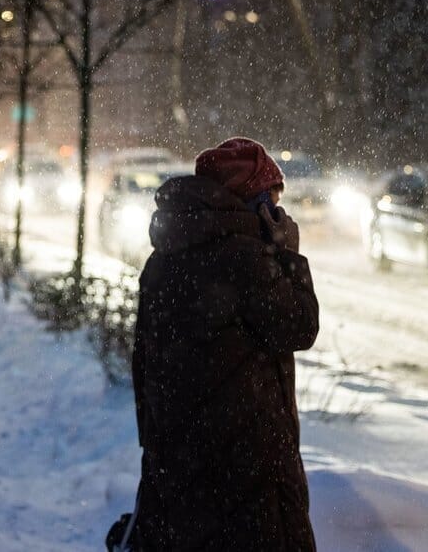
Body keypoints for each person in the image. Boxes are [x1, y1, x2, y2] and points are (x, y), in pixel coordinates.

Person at [127, 137, 319, 551]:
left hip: (179, 472)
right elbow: (300, 326)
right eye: (273, 198)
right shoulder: (244, 260)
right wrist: (290, 255)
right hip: (247, 479)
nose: (279, 210)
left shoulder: (163, 261)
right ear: (254, 202)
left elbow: (142, 365)